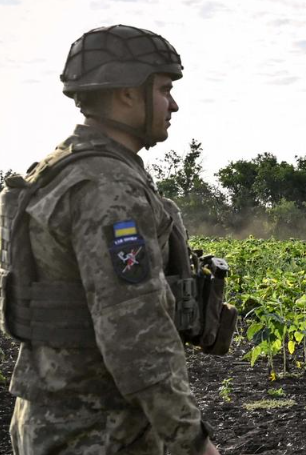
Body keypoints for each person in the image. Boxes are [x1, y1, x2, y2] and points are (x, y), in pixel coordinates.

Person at [3, 25, 220, 454]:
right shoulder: (107, 188)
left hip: (54, 416)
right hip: (99, 428)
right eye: (163, 89)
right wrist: (192, 441)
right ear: (126, 94)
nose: (173, 104)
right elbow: (136, 333)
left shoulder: (58, 168)